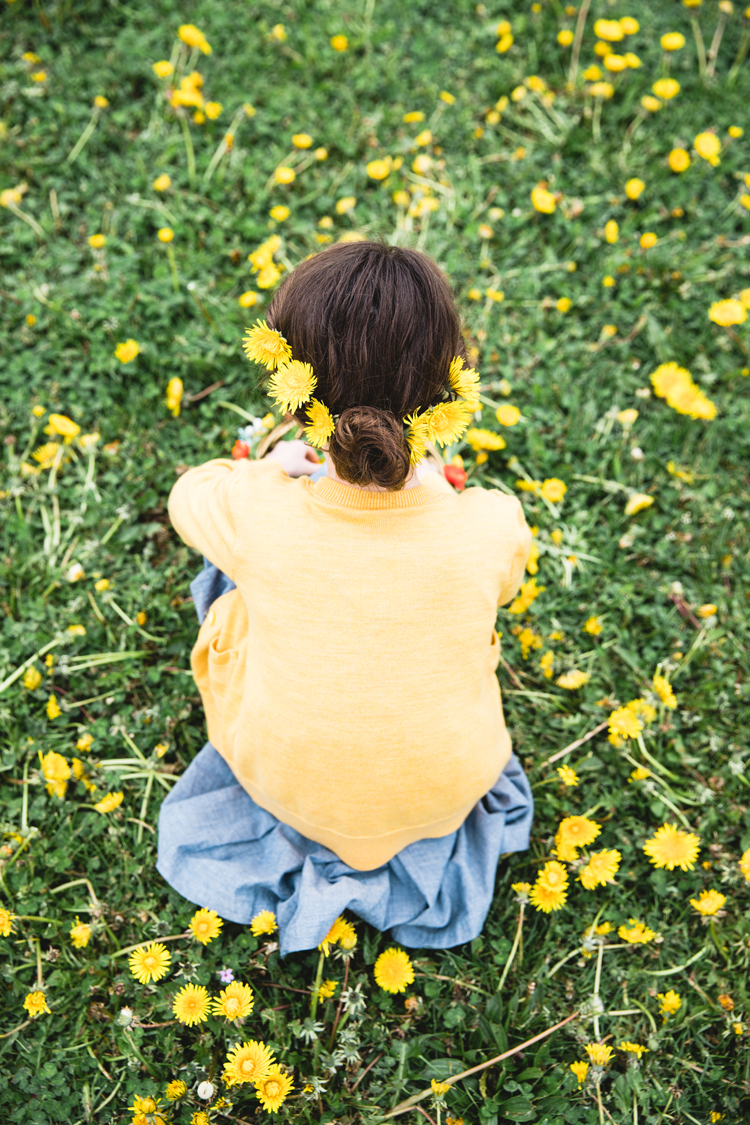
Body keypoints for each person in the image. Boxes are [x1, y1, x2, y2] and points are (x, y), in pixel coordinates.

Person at [157, 240, 534, 956]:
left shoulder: (257, 515)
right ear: (448, 389)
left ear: (296, 394)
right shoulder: (489, 525)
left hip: (284, 783)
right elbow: (505, 578)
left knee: (231, 588)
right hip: (448, 789)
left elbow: (188, 496)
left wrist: (268, 472)